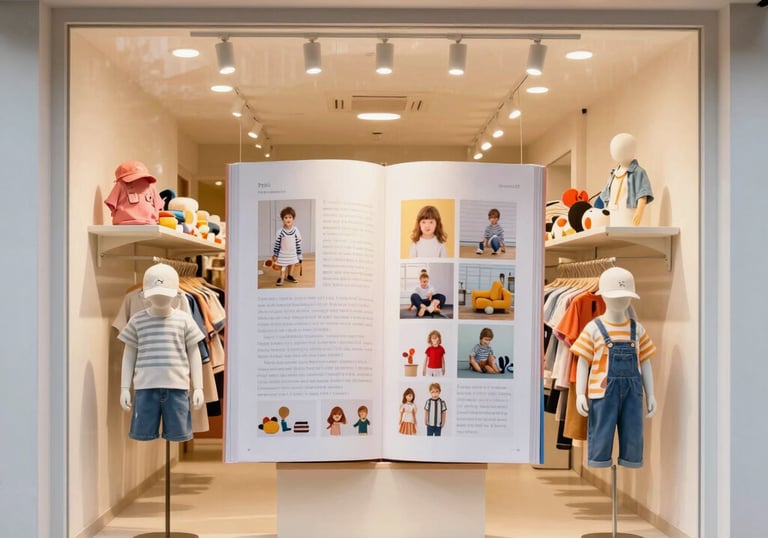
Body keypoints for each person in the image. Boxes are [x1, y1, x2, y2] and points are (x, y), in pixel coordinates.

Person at [571, 267, 657, 469]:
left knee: (633, 432)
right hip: (602, 392)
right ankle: (599, 460)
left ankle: (631, 459)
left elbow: (645, 361)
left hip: (633, 394)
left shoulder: (637, 329)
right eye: (614, 297)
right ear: (604, 297)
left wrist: (651, 394)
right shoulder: (593, 328)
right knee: (601, 431)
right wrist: (579, 394)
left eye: (624, 297)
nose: (620, 301)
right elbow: (583, 362)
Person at [118, 263, 205, 442]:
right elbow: (129, 355)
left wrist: (199, 387)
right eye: (155, 294)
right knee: (143, 432)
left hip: (178, 387)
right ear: (145, 295)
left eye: (164, 294)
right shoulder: (137, 321)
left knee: (178, 434)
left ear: (175, 295)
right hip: (145, 388)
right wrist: (124, 388)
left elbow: (194, 353)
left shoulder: (185, 320)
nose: (159, 299)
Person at [598, 133, 654, 226]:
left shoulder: (639, 172)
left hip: (629, 216)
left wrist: (639, 212)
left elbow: (643, 195)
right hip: (614, 216)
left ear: (632, 150)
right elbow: (606, 195)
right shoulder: (614, 173)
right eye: (614, 148)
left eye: (621, 148)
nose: (616, 151)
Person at [272, 206, 303, 286]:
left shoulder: (295, 230)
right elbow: (277, 244)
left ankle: (289, 275)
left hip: (293, 252)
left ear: (293, 219)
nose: (288, 219)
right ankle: (281, 277)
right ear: (283, 219)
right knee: (283, 265)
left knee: (292, 263)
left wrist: (299, 254)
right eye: (286, 217)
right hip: (283, 253)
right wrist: (275, 254)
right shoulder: (280, 231)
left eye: (290, 217)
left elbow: (298, 243)